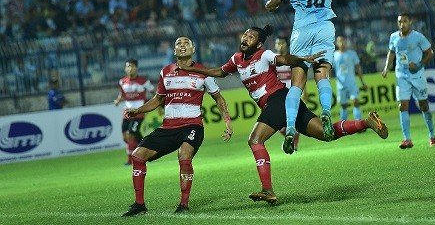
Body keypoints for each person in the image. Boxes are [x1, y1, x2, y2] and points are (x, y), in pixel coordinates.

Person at [180, 25, 388, 204]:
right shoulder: (236, 59)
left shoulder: (264, 55)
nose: (245, 38)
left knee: (255, 140)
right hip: (287, 101)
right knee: (326, 135)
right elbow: (220, 72)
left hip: (278, 99)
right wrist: (197, 70)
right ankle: (366, 122)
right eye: (245, 35)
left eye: (251, 37)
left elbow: (282, 58)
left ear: (259, 44)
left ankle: (268, 189)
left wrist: (301, 59)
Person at [265, 0, 361, 152]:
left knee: (296, 83)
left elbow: (272, 4)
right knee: (322, 75)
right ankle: (326, 112)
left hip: (302, 32)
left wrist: (271, 4)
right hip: (325, 28)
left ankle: (290, 129)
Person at [121, 37, 233, 216]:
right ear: (174, 51)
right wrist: (138, 110)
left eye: (186, 43)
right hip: (168, 127)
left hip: (192, 126)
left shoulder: (204, 71)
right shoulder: (166, 71)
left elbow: (218, 98)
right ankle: (139, 204)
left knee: (184, 155)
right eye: (178, 44)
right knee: (138, 156)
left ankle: (183, 204)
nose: (182, 46)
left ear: (193, 49)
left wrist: (227, 121)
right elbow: (158, 99)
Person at [382, 13, 435, 149]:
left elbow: (430, 53)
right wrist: (386, 68)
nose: (402, 24)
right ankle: (407, 139)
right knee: (402, 106)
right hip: (401, 75)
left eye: (405, 21)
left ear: (410, 22)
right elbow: (391, 53)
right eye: (400, 22)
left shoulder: (418, 36)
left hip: (417, 75)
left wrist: (419, 64)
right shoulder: (393, 37)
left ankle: (432, 135)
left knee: (424, 106)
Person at [114, 59, 155, 165]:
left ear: (136, 68)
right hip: (126, 112)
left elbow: (155, 93)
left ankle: (130, 160)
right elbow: (122, 94)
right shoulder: (122, 81)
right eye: (128, 66)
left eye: (132, 66)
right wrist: (118, 100)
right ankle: (149, 150)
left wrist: (155, 104)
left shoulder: (144, 81)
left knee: (130, 135)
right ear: (125, 68)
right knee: (126, 137)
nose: (130, 68)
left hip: (138, 112)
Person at [275, 37, 302, 151]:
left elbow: (299, 76)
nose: (280, 45)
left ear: (286, 45)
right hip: (277, 96)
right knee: (279, 127)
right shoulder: (272, 60)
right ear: (275, 45)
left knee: (294, 121)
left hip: (292, 94)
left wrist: (303, 92)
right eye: (278, 43)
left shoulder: (291, 59)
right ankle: (290, 139)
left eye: (282, 43)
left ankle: (294, 145)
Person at [333, 36, 368, 120]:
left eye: (343, 41)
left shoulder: (352, 53)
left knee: (355, 101)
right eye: (340, 41)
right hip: (340, 85)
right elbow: (330, 69)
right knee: (344, 105)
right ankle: (343, 126)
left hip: (351, 83)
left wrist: (362, 82)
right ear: (337, 43)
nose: (342, 43)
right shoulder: (334, 55)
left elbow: (358, 68)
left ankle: (358, 123)